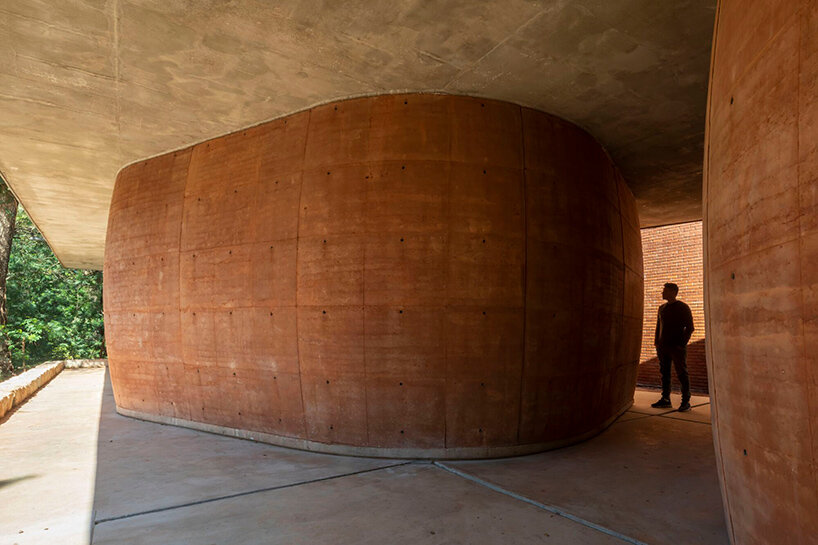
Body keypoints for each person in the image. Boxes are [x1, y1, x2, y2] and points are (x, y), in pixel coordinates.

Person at [651, 282, 694, 412]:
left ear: (673, 292)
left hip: (677, 348)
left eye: (665, 290)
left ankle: (686, 402)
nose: (662, 293)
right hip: (662, 347)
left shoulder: (683, 307)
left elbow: (690, 328)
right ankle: (665, 400)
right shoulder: (661, 308)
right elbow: (659, 327)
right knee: (665, 374)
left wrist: (681, 344)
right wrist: (657, 343)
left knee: (682, 373)